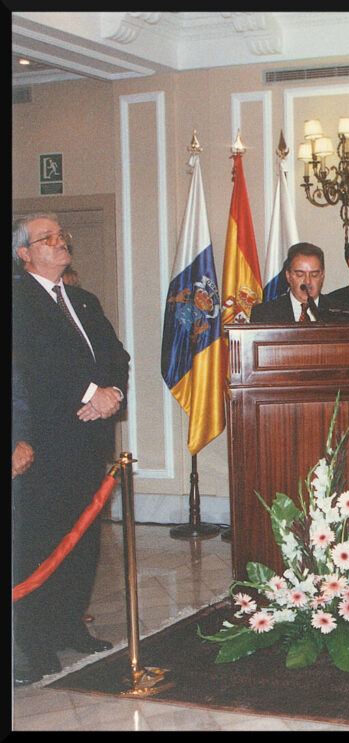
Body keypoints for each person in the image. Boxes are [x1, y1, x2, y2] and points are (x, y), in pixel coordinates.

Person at [12, 213, 131, 683]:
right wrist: (91, 395)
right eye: (48, 238)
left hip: (89, 441)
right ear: (24, 253)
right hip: (44, 445)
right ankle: (35, 644)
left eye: (62, 236)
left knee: (82, 542)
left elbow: (116, 357)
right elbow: (38, 367)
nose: (61, 243)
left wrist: (113, 394)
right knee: (42, 542)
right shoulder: (18, 300)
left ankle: (70, 625)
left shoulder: (82, 299)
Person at [250, 242, 336, 323]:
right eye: (300, 274)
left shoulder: (339, 312)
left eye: (314, 275)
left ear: (322, 276)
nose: (307, 281)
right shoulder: (263, 314)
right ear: (288, 276)